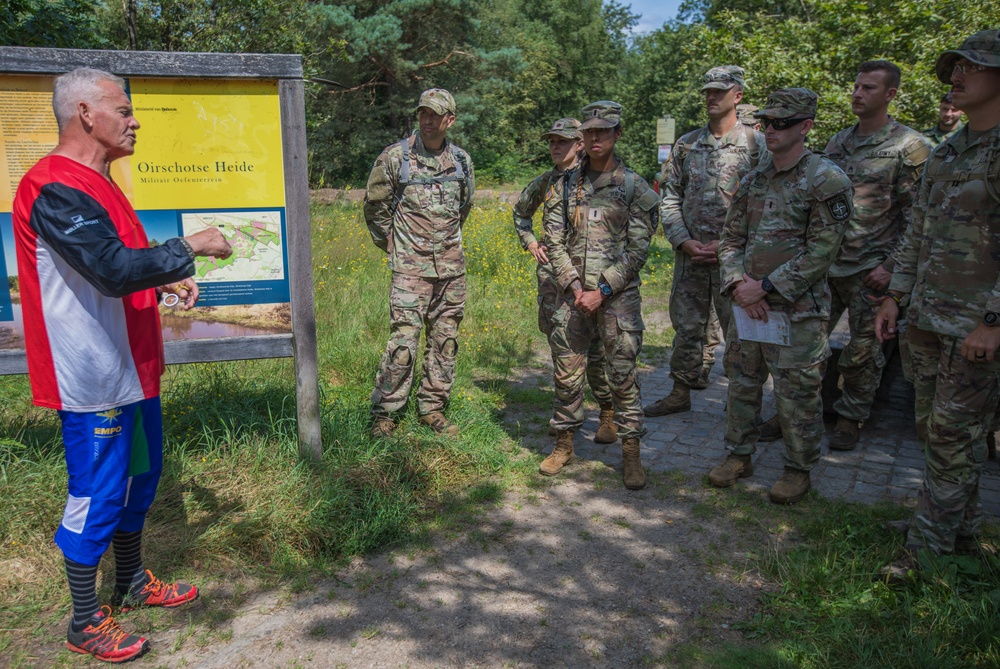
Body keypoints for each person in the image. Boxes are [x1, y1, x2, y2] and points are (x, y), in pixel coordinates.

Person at [12, 67, 232, 662]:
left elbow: (112, 268)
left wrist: (165, 280)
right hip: (92, 378)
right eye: (124, 109)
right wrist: (192, 245)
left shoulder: (100, 181)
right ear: (85, 112)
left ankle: (132, 582)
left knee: (140, 478)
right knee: (97, 492)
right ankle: (84, 622)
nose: (135, 121)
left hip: (132, 370)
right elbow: (109, 270)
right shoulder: (54, 184)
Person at [875, 29, 1000, 575]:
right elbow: (917, 233)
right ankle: (958, 530)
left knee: (953, 438)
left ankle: (924, 553)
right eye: (954, 66)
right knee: (936, 434)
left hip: (976, 326)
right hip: (927, 317)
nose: (956, 75)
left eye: (970, 65)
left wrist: (994, 320)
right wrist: (895, 297)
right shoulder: (949, 149)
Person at [711, 88, 854, 504]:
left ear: (806, 126)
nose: (770, 129)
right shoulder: (753, 177)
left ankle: (798, 468)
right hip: (748, 306)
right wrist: (740, 285)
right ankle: (739, 455)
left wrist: (767, 287)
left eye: (781, 123)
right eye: (766, 122)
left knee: (796, 394)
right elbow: (730, 238)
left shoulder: (826, 179)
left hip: (797, 310)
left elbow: (823, 250)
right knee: (742, 382)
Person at [540, 101, 660, 489]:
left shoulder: (635, 188)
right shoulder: (563, 186)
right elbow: (553, 241)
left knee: (622, 375)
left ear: (617, 134)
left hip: (617, 299)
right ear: (582, 136)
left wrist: (603, 289)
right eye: (589, 132)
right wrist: (576, 287)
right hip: (571, 296)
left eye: (603, 132)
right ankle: (564, 444)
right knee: (566, 375)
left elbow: (639, 249)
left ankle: (630, 453)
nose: (595, 138)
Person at [643, 67, 771, 428]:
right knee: (686, 326)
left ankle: (741, 401)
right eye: (707, 92)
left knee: (740, 332)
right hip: (692, 255)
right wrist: (682, 239)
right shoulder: (686, 144)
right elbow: (668, 197)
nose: (712, 97)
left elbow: (767, 202)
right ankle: (681, 391)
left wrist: (731, 245)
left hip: (737, 261)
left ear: (738, 96)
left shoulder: (755, 145)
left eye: (720, 91)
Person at [822, 61, 932, 450]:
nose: (857, 93)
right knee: (806, 345)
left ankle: (852, 417)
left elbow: (919, 217)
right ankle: (796, 411)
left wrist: (891, 267)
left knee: (863, 351)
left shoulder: (910, 147)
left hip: (873, 269)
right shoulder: (838, 142)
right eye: (856, 86)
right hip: (829, 265)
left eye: (868, 88)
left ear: (890, 94)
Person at [364, 88, 475, 439]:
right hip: (410, 272)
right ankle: (385, 413)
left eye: (435, 115)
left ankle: (432, 408)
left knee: (445, 341)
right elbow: (375, 206)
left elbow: (464, 208)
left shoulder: (462, 161)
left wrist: (442, 246)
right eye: (423, 113)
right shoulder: (395, 157)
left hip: (451, 271)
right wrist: (396, 247)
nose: (428, 120)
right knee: (403, 342)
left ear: (450, 120)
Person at [513, 118, 618, 446]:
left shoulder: (598, 181)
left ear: (580, 144)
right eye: (552, 141)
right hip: (555, 283)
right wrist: (530, 241)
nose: (555, 146)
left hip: (593, 280)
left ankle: (607, 412)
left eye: (563, 141)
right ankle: (566, 420)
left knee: (598, 354)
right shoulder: (546, 182)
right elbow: (520, 213)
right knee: (564, 351)